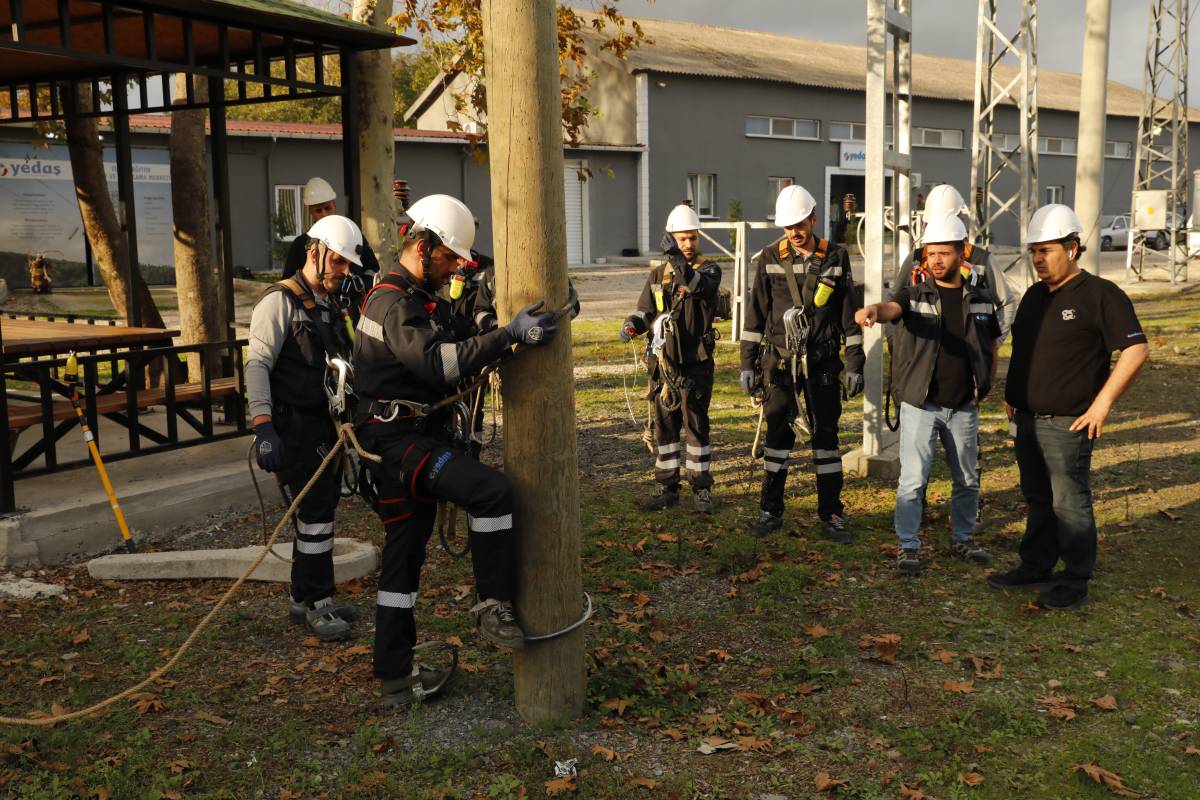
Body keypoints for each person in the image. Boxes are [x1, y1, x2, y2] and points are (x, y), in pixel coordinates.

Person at [351, 193, 560, 706]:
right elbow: (441, 363)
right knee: (491, 492)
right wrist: (507, 334)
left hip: (408, 440)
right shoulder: (392, 303)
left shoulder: (419, 298)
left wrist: (499, 331)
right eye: (447, 259)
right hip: (398, 442)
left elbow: (460, 329)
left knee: (404, 561)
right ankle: (494, 603)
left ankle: (394, 675)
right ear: (421, 246)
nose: (451, 271)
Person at [988, 204, 1148, 610]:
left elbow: (1135, 349)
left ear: (1073, 248)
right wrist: (1012, 395)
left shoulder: (1100, 295)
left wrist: (1102, 405)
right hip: (1026, 418)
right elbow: (1024, 350)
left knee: (1068, 501)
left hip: (1068, 424)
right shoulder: (1034, 297)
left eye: (1047, 250)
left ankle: (1075, 578)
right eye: (1035, 252)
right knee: (1037, 496)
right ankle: (1036, 565)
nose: (1039, 259)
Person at [855, 214, 1000, 574]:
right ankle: (908, 546)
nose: (936, 260)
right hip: (921, 404)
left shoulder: (980, 299)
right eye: (931, 253)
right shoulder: (916, 295)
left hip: (963, 405)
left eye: (944, 253)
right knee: (913, 480)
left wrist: (988, 380)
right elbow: (893, 307)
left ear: (962, 253)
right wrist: (875, 310)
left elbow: (991, 342)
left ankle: (963, 539)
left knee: (967, 478)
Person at [247, 215, 364, 642]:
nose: (344, 271)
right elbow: (257, 363)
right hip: (293, 428)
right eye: (338, 262)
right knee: (314, 518)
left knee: (320, 512)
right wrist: (263, 427)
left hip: (325, 425)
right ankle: (318, 604)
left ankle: (304, 597)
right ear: (314, 253)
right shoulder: (279, 302)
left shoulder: (329, 303)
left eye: (348, 265)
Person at [739, 184, 864, 541]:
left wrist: (854, 364)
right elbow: (755, 316)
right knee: (777, 437)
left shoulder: (836, 257)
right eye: (788, 226)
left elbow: (848, 317)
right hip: (780, 364)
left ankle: (831, 515)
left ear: (813, 218)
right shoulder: (769, 258)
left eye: (800, 223)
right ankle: (770, 510)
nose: (795, 232)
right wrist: (747, 364)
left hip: (823, 364)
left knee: (826, 439)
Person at [620, 204, 723, 512]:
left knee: (696, 427)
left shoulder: (709, 270)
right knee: (665, 428)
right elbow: (645, 310)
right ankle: (667, 487)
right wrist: (631, 324)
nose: (688, 244)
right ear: (672, 238)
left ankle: (701, 489)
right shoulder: (657, 275)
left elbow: (697, 286)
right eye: (682, 239)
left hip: (695, 363)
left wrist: (677, 260)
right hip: (664, 366)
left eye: (692, 238)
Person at [895, 185, 1016, 342]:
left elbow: (1007, 304)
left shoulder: (982, 260)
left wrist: (991, 344)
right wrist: (895, 343)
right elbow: (894, 300)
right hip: (923, 356)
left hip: (968, 356)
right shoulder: (915, 259)